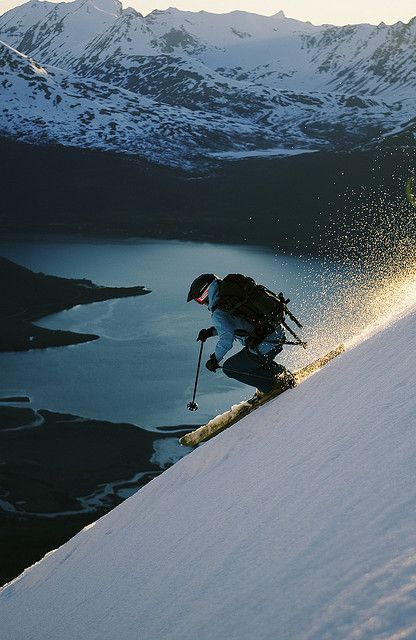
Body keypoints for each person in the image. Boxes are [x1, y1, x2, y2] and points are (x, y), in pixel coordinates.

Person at [187, 273, 295, 396]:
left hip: (267, 345)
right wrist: (210, 332)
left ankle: (272, 386)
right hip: (277, 334)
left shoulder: (218, 311)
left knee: (230, 368)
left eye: (199, 300)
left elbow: (226, 339)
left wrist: (215, 359)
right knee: (251, 357)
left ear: (205, 293)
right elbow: (237, 324)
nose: (201, 303)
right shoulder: (231, 296)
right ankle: (282, 375)